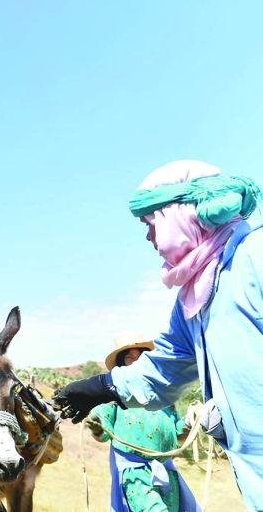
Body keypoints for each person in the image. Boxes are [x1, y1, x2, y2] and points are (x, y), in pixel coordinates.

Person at [53, 160, 263, 511]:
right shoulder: (194, 300)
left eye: (151, 223)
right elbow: (163, 369)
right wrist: (102, 387)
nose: (148, 236)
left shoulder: (254, 257)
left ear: (182, 214)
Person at [85, 332, 199, 512]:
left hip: (167, 472)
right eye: (129, 358)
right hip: (135, 475)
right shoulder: (113, 395)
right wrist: (95, 425)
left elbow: (178, 436)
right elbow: (101, 431)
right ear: (122, 363)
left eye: (140, 358)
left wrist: (192, 420)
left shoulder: (163, 395)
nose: (135, 362)